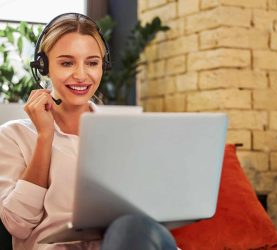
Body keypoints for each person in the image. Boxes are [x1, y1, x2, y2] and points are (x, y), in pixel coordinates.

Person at [0, 13, 178, 250]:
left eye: (92, 63)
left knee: (137, 229)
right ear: (43, 66)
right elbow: (18, 225)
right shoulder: (13, 136)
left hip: (125, 241)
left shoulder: (125, 132)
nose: (82, 75)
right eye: (67, 63)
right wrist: (45, 137)